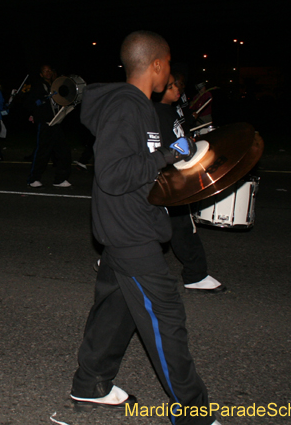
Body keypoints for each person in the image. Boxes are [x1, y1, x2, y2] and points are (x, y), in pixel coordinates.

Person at [70, 31, 219, 425]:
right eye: (168, 63)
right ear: (156, 64)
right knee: (166, 318)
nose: (170, 71)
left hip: (129, 223)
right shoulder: (128, 106)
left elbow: (139, 166)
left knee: (116, 309)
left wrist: (173, 166)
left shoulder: (139, 107)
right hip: (129, 229)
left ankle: (90, 383)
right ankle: (193, 412)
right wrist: (169, 154)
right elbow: (114, 175)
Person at [154, 72, 225, 293]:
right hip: (167, 177)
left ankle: (115, 260)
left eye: (178, 85)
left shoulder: (172, 109)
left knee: (159, 226)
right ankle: (196, 275)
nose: (178, 89)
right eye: (171, 86)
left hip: (175, 174)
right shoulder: (154, 112)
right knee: (181, 226)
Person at [26, 64, 72, 188]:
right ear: (41, 74)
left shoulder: (55, 85)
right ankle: (33, 179)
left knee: (64, 152)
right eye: (45, 71)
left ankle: (60, 179)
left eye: (49, 70)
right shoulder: (38, 86)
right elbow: (31, 102)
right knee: (42, 153)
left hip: (56, 123)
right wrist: (42, 102)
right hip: (46, 124)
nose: (48, 72)